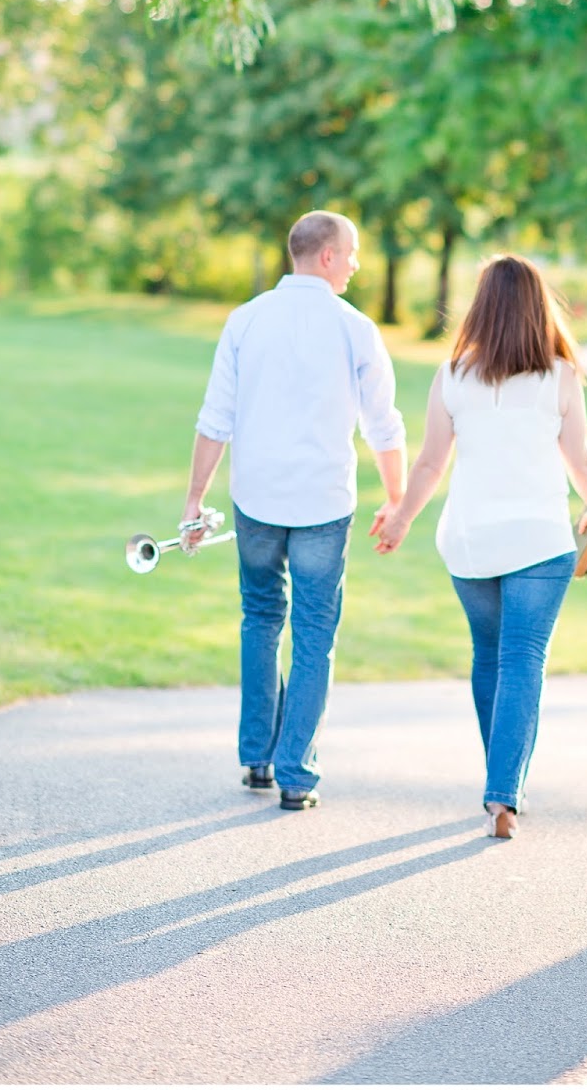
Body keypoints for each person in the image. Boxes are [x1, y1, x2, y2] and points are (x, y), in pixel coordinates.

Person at [374, 254, 587, 839]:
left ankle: (500, 786)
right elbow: (579, 457)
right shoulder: (560, 376)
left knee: (490, 657)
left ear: (480, 306)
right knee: (521, 662)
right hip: (538, 539)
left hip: (470, 540)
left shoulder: (453, 375)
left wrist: (403, 516)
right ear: (540, 308)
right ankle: (504, 794)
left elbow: (432, 462)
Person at [180, 211, 406, 811]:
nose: (357, 264)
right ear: (326, 256)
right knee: (313, 635)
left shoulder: (245, 320)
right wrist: (397, 498)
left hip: (255, 498)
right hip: (323, 506)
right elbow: (383, 426)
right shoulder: (355, 328)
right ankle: (296, 775)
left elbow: (215, 418)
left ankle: (257, 757)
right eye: (352, 253)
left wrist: (195, 499)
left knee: (260, 618)